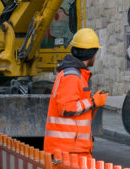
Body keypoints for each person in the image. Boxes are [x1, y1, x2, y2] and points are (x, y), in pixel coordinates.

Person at [44, 28, 108, 159]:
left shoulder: (76, 75)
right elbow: (66, 108)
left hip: (72, 149)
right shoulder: (72, 76)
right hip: (67, 151)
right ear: (91, 54)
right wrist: (93, 101)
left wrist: (93, 103)